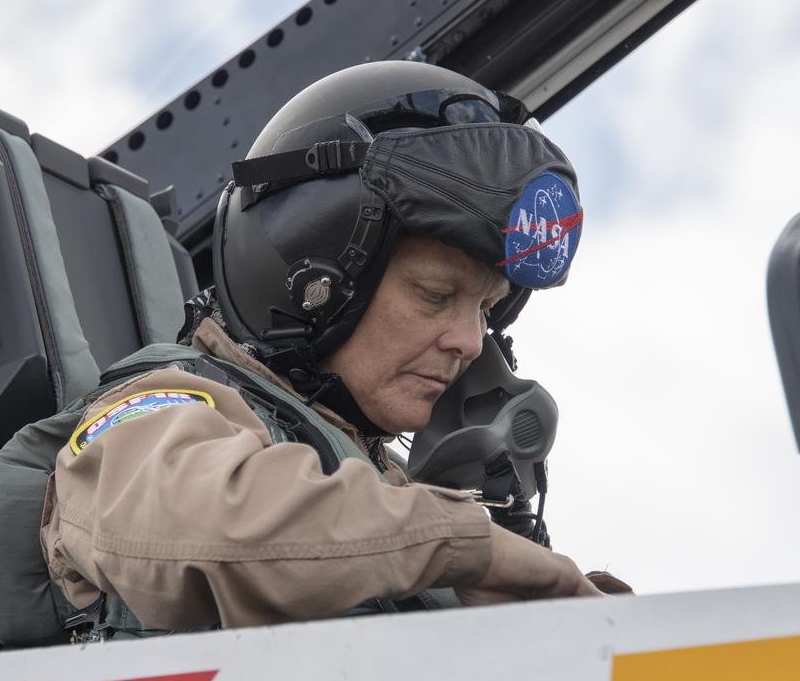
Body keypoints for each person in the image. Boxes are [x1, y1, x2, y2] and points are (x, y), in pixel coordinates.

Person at [39, 61, 615, 631]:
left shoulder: (397, 503)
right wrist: (468, 547)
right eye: (436, 294)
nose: (470, 341)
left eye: (486, 309)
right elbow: (193, 523)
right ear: (316, 282)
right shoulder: (154, 415)